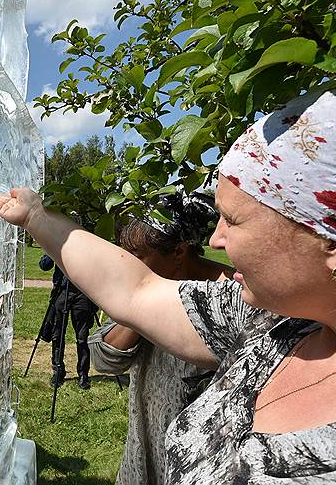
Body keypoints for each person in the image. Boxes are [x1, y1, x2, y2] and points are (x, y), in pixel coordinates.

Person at [0, 68, 336, 483]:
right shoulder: (278, 325)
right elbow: (137, 289)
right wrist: (35, 218)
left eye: (235, 220)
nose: (218, 240)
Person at [88, 193, 230, 485]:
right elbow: (104, 358)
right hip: (141, 459)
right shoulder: (146, 293)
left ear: (179, 252)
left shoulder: (229, 299)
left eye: (137, 256)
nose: (126, 264)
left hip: (199, 468)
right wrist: (142, 308)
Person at [38, 254, 97, 389]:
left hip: (82, 293)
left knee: (82, 338)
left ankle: (83, 374)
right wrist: (53, 250)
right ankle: (58, 370)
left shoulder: (85, 242)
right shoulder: (58, 241)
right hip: (62, 292)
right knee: (57, 335)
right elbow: (44, 266)